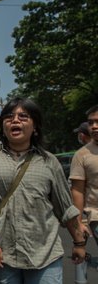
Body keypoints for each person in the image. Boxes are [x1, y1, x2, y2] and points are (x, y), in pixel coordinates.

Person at [0, 97, 87, 283]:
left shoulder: (49, 162)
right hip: (2, 256)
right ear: (3, 126)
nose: (15, 120)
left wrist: (79, 242)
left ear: (35, 126)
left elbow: (65, 208)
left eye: (23, 116)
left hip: (45, 255)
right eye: (9, 117)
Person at [70, 105, 98, 249]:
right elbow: (77, 191)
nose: (93, 126)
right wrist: (79, 223)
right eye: (91, 122)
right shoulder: (81, 155)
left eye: (97, 122)